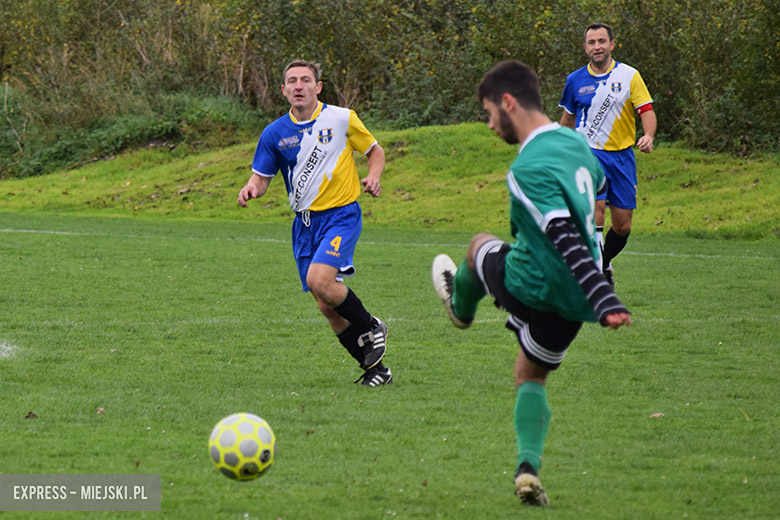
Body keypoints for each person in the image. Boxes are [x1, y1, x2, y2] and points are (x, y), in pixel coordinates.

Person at [431, 60, 632, 506]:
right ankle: (527, 469)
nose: (489, 125)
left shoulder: (526, 170)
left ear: (508, 103)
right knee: (530, 374)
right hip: (573, 301)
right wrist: (598, 290)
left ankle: (459, 307)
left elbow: (562, 234)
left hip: (535, 282)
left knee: (479, 245)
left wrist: (605, 297)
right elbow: (592, 200)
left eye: (488, 113)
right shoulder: (578, 146)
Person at [238, 59, 392, 386]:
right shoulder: (274, 133)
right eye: (292, 81)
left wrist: (373, 176)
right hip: (304, 226)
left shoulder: (341, 118)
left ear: (318, 87)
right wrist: (252, 188)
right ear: (283, 90)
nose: (298, 86)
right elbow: (262, 179)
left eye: (305, 80)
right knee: (326, 305)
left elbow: (375, 151)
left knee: (321, 281)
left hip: (341, 215)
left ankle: (372, 326)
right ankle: (376, 371)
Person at [559, 23, 657, 284]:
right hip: (588, 154)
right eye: (591, 42)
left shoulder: (629, 76)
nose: (597, 47)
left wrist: (648, 136)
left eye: (602, 41)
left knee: (623, 226)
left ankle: (603, 262)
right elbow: (567, 119)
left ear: (612, 45)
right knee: (596, 211)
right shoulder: (575, 80)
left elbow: (646, 110)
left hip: (622, 157)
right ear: (585, 48)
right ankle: (594, 274)